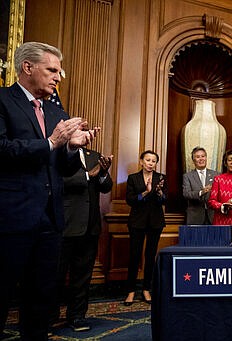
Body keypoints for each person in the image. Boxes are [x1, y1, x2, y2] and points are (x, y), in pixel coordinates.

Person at [0, 42, 99, 339]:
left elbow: (64, 169)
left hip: (51, 220)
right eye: (52, 70)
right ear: (28, 68)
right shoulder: (3, 100)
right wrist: (51, 143)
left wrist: (71, 148)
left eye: (59, 71)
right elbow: (2, 149)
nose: (58, 77)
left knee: (42, 298)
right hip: (12, 218)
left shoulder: (57, 111)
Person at [53, 148, 113, 332]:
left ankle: (77, 317)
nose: (85, 135)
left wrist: (103, 173)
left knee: (82, 277)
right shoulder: (58, 153)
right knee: (55, 276)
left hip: (90, 227)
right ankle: (46, 318)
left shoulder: (93, 155)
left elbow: (106, 186)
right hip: (65, 225)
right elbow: (57, 181)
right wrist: (88, 175)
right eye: (80, 131)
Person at [124, 150, 167, 306]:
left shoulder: (161, 178)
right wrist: (146, 192)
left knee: (150, 256)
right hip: (137, 222)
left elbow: (164, 200)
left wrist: (159, 192)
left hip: (155, 222)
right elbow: (130, 200)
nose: (150, 163)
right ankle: (130, 291)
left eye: (153, 161)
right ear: (141, 161)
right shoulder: (133, 178)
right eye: (148, 160)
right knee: (134, 256)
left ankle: (146, 289)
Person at [182, 146, 219, 224]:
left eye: (203, 156)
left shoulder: (216, 175)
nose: (201, 159)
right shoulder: (187, 176)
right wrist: (201, 192)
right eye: (198, 157)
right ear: (193, 160)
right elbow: (186, 194)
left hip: (213, 216)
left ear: (206, 158)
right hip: (195, 217)